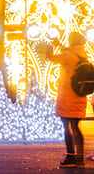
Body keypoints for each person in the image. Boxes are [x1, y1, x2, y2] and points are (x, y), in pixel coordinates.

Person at [42, 33, 90, 168]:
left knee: (67, 126)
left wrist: (50, 44)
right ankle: (80, 159)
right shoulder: (82, 55)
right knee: (76, 126)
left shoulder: (68, 56)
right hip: (79, 96)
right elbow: (68, 53)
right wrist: (59, 45)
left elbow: (50, 57)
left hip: (67, 97)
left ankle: (70, 156)